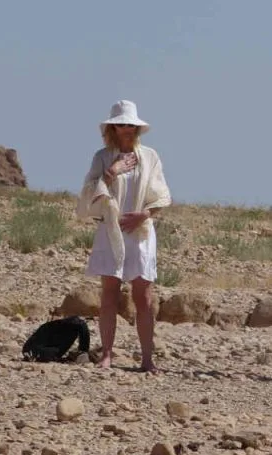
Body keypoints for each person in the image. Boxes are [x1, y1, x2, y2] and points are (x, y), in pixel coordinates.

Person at [77, 100, 172, 372]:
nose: (127, 129)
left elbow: (162, 194)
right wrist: (112, 172)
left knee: (143, 295)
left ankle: (146, 358)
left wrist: (145, 214)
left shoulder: (150, 157)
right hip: (111, 229)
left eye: (131, 124)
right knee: (109, 293)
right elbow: (88, 194)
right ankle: (107, 354)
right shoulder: (102, 157)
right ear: (113, 128)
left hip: (140, 231)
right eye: (121, 124)